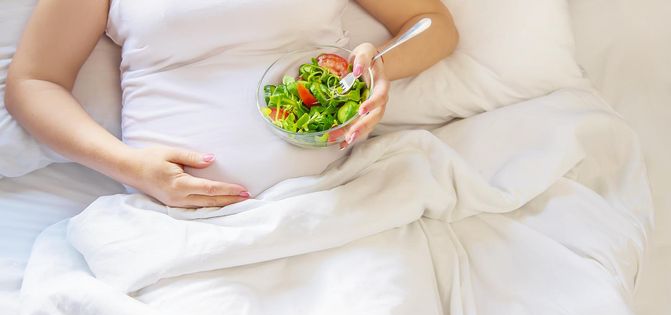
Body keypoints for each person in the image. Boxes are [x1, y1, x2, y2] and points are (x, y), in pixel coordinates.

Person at [5, 0, 458, 208]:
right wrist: (128, 165)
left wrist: (378, 67)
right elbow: (34, 82)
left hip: (336, 199)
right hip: (175, 223)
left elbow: (433, 23)